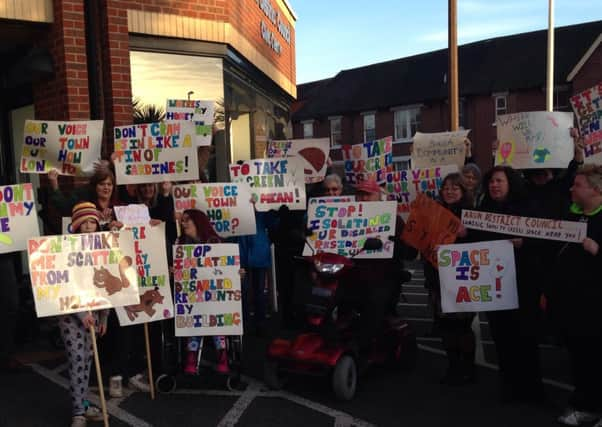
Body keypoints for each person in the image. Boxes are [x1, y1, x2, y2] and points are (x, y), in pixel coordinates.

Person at [473, 166, 544, 404]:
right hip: (495, 287)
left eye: (499, 181)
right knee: (501, 337)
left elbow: (545, 241)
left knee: (526, 337)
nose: (494, 185)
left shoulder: (528, 208)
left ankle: (533, 389)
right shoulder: (483, 211)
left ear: (510, 183)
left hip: (523, 283)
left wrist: (524, 243)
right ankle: (509, 385)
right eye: (491, 181)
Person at [548, 165, 602, 427]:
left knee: (594, 358)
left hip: (595, 306)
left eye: (578, 185)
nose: (572, 188)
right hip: (571, 305)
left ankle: (592, 408)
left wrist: (597, 251)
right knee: (580, 358)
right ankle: (584, 404)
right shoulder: (571, 216)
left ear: (596, 189)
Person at [352, 179, 416, 355]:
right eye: (360, 194)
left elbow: (410, 254)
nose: (363, 198)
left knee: (373, 301)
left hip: (383, 278)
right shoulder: (344, 218)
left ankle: (362, 350)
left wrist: (399, 243)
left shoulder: (393, 220)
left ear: (378, 197)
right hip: (351, 276)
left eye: (368, 194)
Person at [423, 173, 476, 385]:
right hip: (437, 277)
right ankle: (453, 366)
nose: (450, 191)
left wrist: (466, 234)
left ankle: (469, 368)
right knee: (445, 326)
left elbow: (484, 242)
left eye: (455, 188)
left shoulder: (472, 215)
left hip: (464, 278)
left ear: (463, 191)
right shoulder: (434, 212)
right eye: (446, 187)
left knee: (462, 326)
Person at [62, 202, 108, 427]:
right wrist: (82, 315)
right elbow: (64, 283)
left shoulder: (101, 248)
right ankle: (78, 410)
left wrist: (104, 317)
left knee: (88, 360)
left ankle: (84, 404)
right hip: (72, 316)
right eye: (85, 222)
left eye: (93, 222)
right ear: (77, 225)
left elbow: (107, 285)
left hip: (94, 314)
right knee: (76, 360)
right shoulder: (67, 248)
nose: (90, 226)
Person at [176, 209, 232, 374]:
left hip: (214, 294)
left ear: (197, 222)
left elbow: (226, 268)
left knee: (215, 316)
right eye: (183, 220)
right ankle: (191, 356)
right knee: (194, 317)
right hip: (192, 294)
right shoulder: (180, 243)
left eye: (187, 220)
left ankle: (222, 355)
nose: (183, 223)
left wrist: (237, 273)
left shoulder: (215, 242)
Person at [48, 163, 118, 229]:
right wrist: (54, 183)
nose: (106, 187)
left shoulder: (118, 204)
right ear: (95, 186)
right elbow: (64, 207)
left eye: (109, 184)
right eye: (102, 184)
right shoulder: (83, 201)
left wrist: (115, 212)